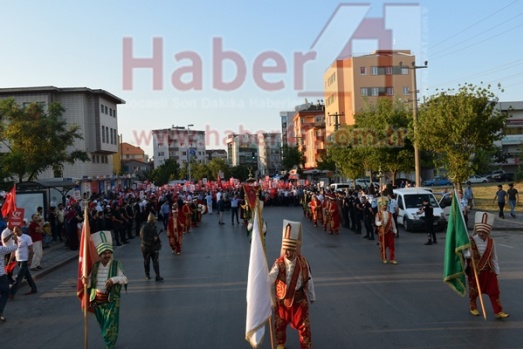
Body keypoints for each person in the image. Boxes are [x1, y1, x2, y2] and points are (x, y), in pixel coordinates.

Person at [269, 221, 315, 349]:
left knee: (304, 327)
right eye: (285, 250)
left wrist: (312, 296)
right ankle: (280, 344)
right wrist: (268, 294)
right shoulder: (279, 263)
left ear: (294, 249)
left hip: (299, 300)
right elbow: (271, 278)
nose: (287, 253)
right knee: (279, 325)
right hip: (283, 301)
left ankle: (305, 346)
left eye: (289, 250)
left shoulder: (303, 261)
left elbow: (309, 279)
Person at [85, 231, 128, 349]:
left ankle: (110, 345)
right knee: (103, 324)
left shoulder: (116, 264)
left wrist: (113, 280)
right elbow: (90, 283)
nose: (107, 255)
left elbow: (124, 279)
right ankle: (108, 340)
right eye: (104, 253)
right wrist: (85, 281)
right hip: (97, 301)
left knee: (110, 323)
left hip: (111, 300)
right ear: (100, 254)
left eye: (109, 253)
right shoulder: (94, 266)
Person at [466, 212, 509, 319]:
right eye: (480, 231)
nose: (481, 233)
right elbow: (463, 254)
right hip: (475, 270)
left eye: (484, 232)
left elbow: (494, 257)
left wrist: (497, 271)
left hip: (489, 270)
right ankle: (473, 307)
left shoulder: (491, 242)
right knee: (474, 291)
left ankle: (498, 311)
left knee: (494, 291)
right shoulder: (470, 240)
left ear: (488, 231)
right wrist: (467, 254)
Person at [9, 225, 37, 299]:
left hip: (25, 260)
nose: (16, 233)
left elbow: (31, 250)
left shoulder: (27, 238)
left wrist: (30, 260)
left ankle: (11, 293)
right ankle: (34, 288)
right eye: (14, 232)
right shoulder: (15, 238)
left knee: (18, 277)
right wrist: (11, 260)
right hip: (19, 260)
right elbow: (14, 250)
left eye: (17, 231)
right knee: (27, 276)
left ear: (20, 230)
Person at [139, 213, 164, 281]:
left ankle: (157, 275)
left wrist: (158, 241)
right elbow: (142, 238)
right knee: (147, 261)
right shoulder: (144, 227)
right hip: (146, 247)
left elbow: (155, 236)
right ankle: (147, 274)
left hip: (153, 247)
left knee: (156, 261)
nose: (155, 220)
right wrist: (152, 240)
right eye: (154, 219)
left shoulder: (153, 226)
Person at [0, 231, 17, 322]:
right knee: (5, 292)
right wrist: (15, 239)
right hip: (1, 275)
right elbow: (14, 247)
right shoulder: (1, 249)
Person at [375, 198, 398, 264]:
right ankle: (384, 258)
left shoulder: (390, 214)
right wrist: (380, 223)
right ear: (380, 206)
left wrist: (395, 230)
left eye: (385, 205)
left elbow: (393, 223)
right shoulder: (378, 214)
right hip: (382, 232)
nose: (384, 206)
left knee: (391, 246)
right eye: (383, 205)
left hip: (389, 231)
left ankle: (392, 259)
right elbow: (376, 222)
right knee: (383, 246)